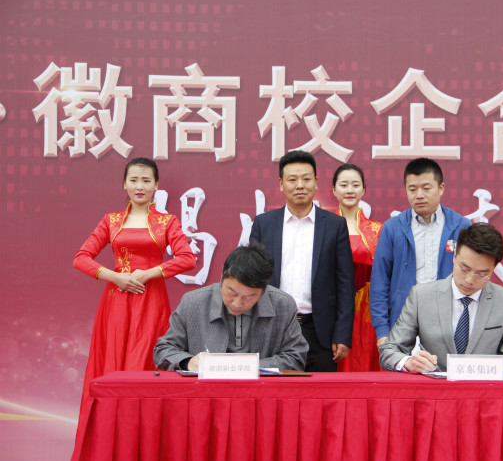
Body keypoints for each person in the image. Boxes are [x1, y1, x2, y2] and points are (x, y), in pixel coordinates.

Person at [73, 157, 196, 409]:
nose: (140, 186)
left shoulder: (167, 221)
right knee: (113, 359)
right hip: (116, 300)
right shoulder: (111, 221)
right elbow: (81, 258)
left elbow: (187, 259)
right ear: (125, 184)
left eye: (146, 181)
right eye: (134, 180)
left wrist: (148, 274)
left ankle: (143, 421)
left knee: (145, 357)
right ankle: (110, 421)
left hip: (151, 299)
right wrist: (115, 276)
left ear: (156, 185)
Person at [250, 150, 355, 372]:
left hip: (320, 330)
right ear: (281, 184)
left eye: (306, 179)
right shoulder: (263, 224)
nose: (300, 185)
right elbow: (252, 280)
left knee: (320, 391)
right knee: (275, 390)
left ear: (316, 182)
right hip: (273, 328)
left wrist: (342, 334)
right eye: (292, 180)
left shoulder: (335, 225)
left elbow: (345, 283)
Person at [379, 223, 503, 373]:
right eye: (464, 269)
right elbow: (390, 350)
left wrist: (489, 373)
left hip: (485, 386)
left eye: (481, 274)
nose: (469, 280)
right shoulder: (421, 296)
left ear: (494, 268)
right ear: (454, 256)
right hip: (434, 385)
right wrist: (408, 362)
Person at [153, 243, 308, 371]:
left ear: (264, 290)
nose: (237, 303)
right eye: (232, 292)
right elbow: (163, 349)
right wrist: (187, 362)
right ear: (222, 274)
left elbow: (296, 356)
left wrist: (246, 368)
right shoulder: (193, 302)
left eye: (249, 297)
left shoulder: (283, 305)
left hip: (261, 392)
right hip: (206, 392)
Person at [370, 158, 471, 347]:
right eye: (412, 189)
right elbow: (379, 283)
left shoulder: (461, 226)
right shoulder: (392, 228)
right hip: (403, 321)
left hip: (449, 321)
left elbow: (470, 277)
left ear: (441, 188)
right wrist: (382, 331)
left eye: (426, 188)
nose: (419, 195)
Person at [331, 163, 383, 372]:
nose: (349, 190)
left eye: (355, 185)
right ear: (334, 190)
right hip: (334, 309)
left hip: (369, 313)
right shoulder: (323, 228)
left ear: (363, 190)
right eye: (343, 185)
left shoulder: (378, 230)